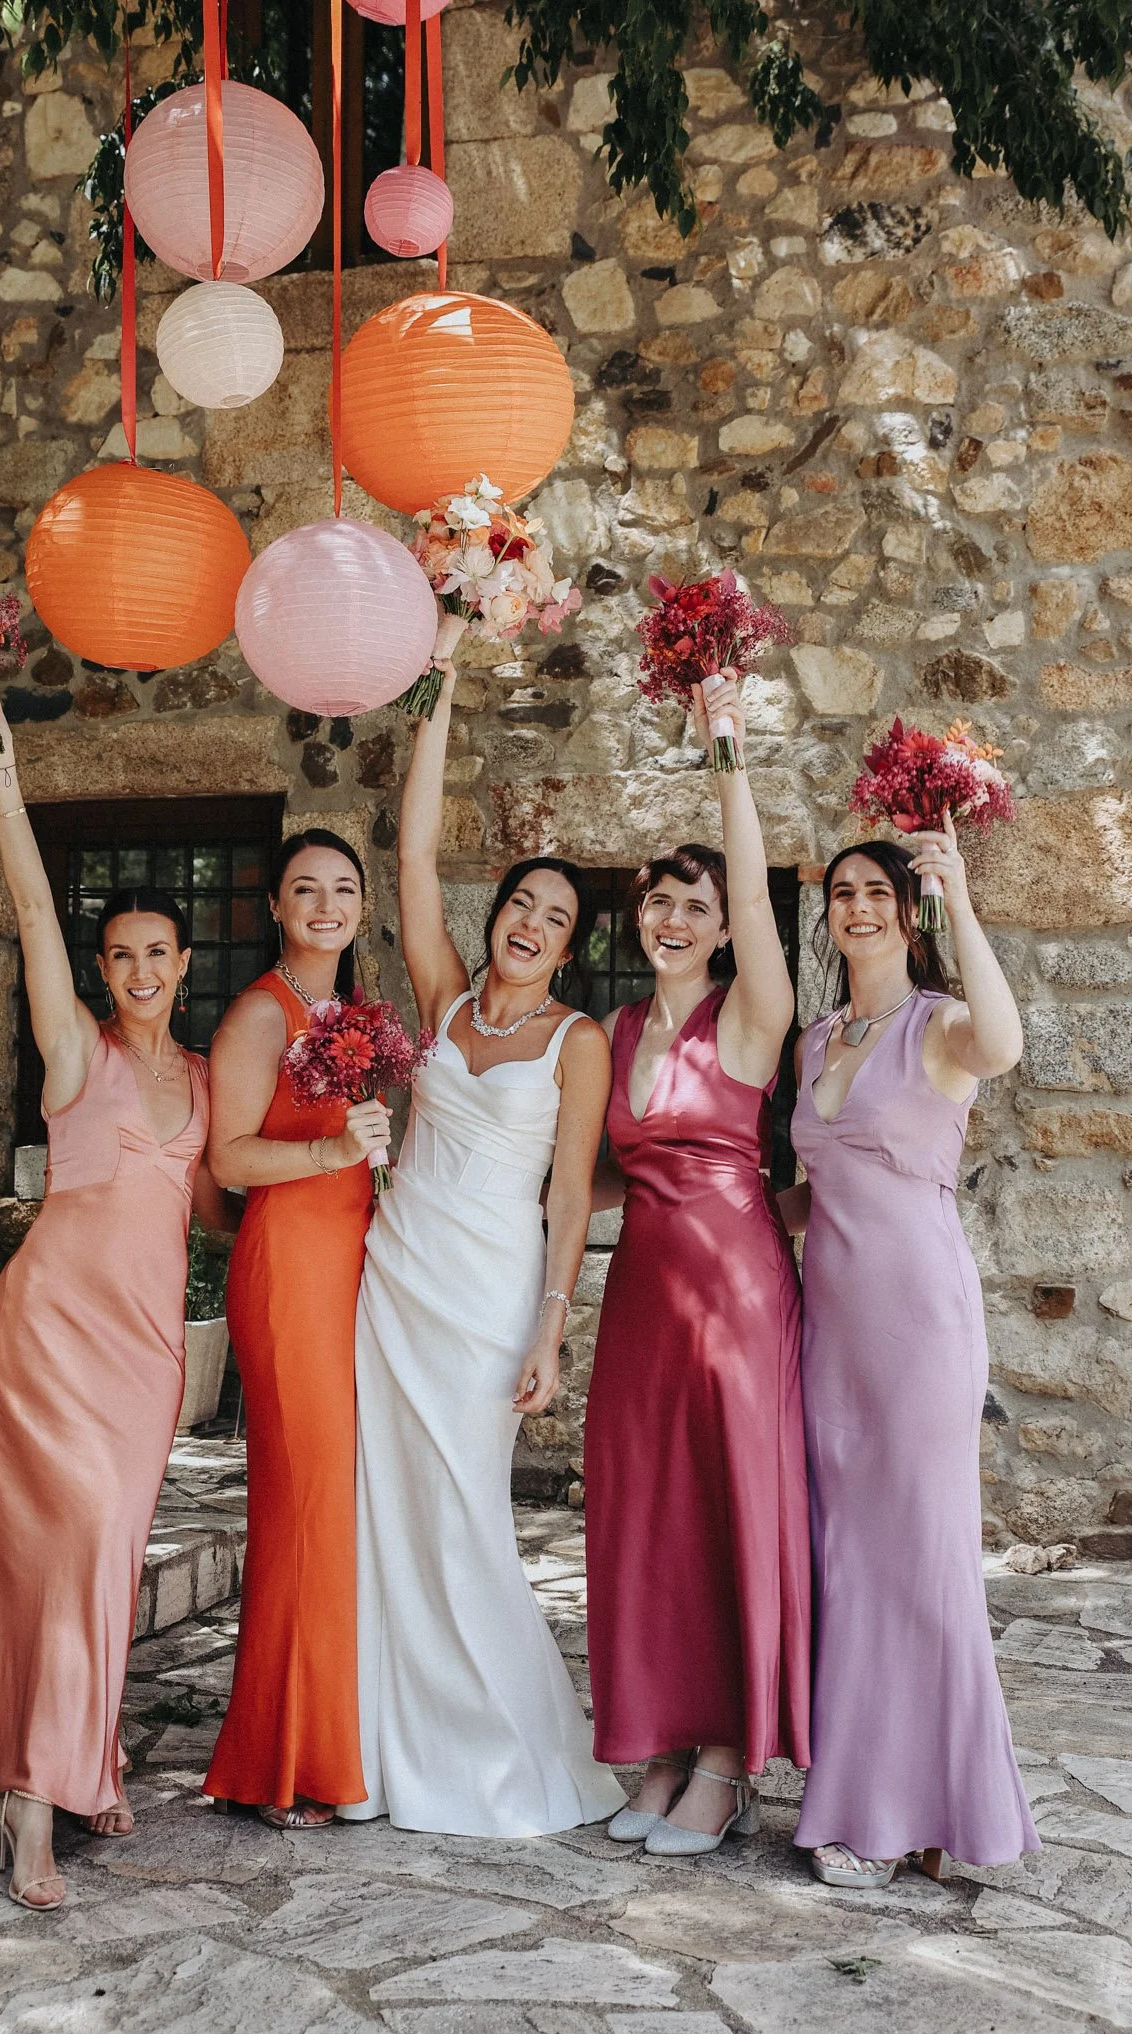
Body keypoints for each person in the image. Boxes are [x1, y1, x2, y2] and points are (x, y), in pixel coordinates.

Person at [0, 684, 237, 1912]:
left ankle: (85, 1758)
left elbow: (230, 1202)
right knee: (54, 1549)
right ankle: (29, 1801)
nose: (134, 969)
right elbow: (29, 912)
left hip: (142, 1354)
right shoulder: (80, 1052)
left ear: (181, 964)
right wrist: (3, 776)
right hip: (51, 1335)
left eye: (153, 953)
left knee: (107, 1558)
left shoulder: (213, 1076)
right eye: (116, 952)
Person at [340, 655, 624, 1836]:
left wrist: (554, 1329)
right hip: (397, 1271)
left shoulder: (580, 1041)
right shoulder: (447, 998)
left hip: (492, 1294)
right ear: (499, 911)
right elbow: (410, 860)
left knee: (465, 1508)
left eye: (557, 918)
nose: (532, 923)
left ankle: (500, 1748)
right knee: (385, 1504)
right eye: (522, 903)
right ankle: (377, 1748)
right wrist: (437, 696)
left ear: (568, 945)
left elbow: (570, 1197)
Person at [783, 821, 1039, 1886]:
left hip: (920, 1323)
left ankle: (911, 1816)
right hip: (830, 1327)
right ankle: (875, 1799)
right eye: (842, 890)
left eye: (879, 890)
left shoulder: (940, 1025)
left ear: (907, 908)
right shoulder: (815, 1037)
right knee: (848, 1561)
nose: (858, 905)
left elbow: (1008, 1046)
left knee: (923, 1562)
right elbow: (809, 1194)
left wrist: (960, 896)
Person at [584, 671, 811, 1856]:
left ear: (726, 926)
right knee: (644, 1514)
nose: (673, 917)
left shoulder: (751, 1012)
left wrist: (726, 751)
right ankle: (662, 1745)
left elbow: (762, 905)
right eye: (659, 900)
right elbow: (613, 1171)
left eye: (697, 904)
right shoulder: (616, 1029)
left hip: (735, 1291)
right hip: (640, 1296)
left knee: (727, 1510)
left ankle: (728, 1763)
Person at [203, 831, 388, 1829]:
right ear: (275, 904)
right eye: (306, 888)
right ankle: (283, 1764)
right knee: (305, 1501)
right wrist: (327, 1158)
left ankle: (321, 1738)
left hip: (351, 1265)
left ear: (362, 906)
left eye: (343, 888)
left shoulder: (354, 1015)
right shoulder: (256, 1015)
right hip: (287, 1270)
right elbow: (229, 1154)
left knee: (334, 1502)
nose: (326, 903)